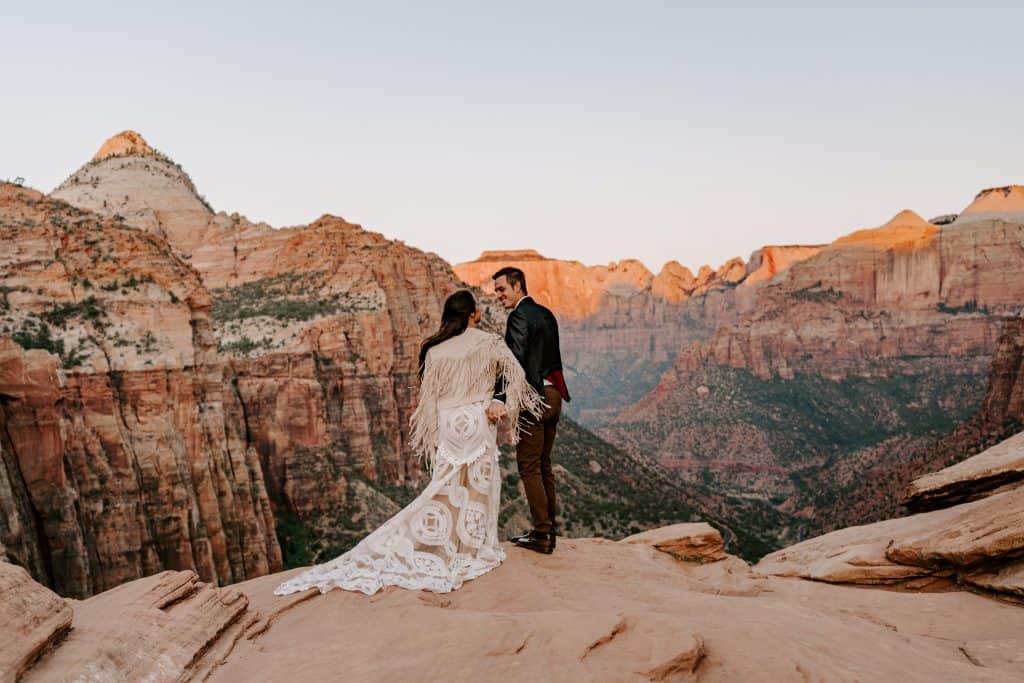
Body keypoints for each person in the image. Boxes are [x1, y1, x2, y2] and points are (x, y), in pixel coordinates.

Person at [274, 290, 544, 596]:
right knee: (480, 485)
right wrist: (503, 406)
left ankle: (436, 542)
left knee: (443, 486)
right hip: (479, 419)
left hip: (448, 423)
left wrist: (438, 429)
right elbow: (517, 377)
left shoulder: (434, 350)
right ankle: (477, 547)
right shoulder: (489, 342)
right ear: (472, 314)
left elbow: (428, 401)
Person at [488, 267, 570, 555]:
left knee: (529, 466)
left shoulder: (519, 316)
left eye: (501, 289)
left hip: (533, 399)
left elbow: (513, 362)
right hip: (555, 395)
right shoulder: (546, 313)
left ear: (518, 286)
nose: (498, 296)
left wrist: (499, 398)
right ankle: (550, 529)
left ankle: (542, 534)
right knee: (544, 464)